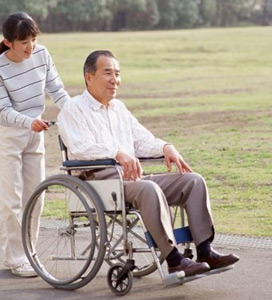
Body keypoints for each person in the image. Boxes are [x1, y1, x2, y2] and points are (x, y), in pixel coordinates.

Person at [57, 50, 239, 277]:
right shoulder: (73, 109)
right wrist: (117, 153)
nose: (115, 80)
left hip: (132, 179)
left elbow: (142, 140)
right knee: (148, 188)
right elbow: (80, 147)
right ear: (89, 77)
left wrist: (165, 147)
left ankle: (204, 251)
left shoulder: (119, 109)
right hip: (100, 182)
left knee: (193, 181)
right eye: (108, 73)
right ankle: (174, 260)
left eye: (117, 74)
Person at [0, 12, 70, 277]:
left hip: (35, 134)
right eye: (24, 41)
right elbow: (4, 110)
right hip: (8, 137)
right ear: (8, 42)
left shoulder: (42, 55)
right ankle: (15, 258)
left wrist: (76, 113)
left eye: (33, 39)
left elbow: (57, 90)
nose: (30, 46)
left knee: (36, 197)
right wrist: (28, 122)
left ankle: (28, 254)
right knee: (9, 200)